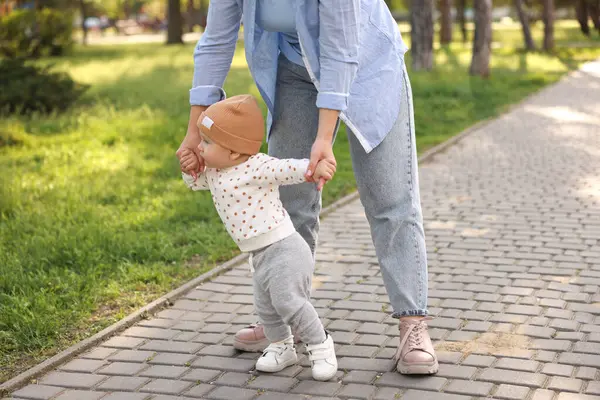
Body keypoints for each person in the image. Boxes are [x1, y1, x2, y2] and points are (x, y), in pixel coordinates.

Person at [176, 0, 439, 375]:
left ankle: (413, 324)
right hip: (293, 70)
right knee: (289, 200)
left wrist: (323, 135)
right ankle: (284, 321)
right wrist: (193, 130)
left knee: (389, 198)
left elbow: (341, 46)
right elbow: (216, 39)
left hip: (366, 65)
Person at [180, 94, 338, 380]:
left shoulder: (256, 166)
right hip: (259, 254)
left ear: (233, 151)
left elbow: (287, 168)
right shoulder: (216, 171)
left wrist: (313, 169)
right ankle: (282, 348)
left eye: (206, 143)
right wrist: (189, 166)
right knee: (266, 309)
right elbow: (194, 181)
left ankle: (321, 344)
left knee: (290, 302)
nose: (200, 148)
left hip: (285, 249)